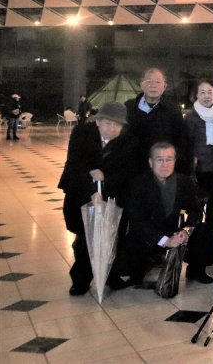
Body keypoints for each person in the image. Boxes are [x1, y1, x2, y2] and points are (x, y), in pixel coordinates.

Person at [58, 101, 138, 295]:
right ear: (98, 121)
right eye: (108, 123)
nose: (113, 129)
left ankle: (111, 276)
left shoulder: (128, 141)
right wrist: (91, 191)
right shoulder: (81, 134)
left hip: (112, 195)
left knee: (113, 237)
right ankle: (81, 280)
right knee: (85, 239)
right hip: (81, 192)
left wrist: (106, 177)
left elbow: (127, 171)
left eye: (118, 125)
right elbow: (74, 166)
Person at [125, 142, 213, 287]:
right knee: (128, 258)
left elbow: (196, 210)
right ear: (151, 162)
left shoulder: (184, 182)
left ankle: (196, 269)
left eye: (169, 159)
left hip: (174, 230)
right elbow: (137, 221)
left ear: (174, 161)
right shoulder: (138, 184)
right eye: (160, 160)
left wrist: (185, 230)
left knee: (204, 231)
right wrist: (164, 241)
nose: (165, 164)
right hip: (149, 235)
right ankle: (142, 269)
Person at [124, 68, 188, 174]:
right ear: (141, 85)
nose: (153, 85)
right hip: (134, 169)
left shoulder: (173, 111)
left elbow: (180, 142)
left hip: (162, 169)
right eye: (149, 81)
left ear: (164, 86)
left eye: (158, 82)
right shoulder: (129, 108)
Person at [184, 79, 213, 237]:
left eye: (210, 92)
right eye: (202, 92)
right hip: (198, 170)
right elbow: (187, 144)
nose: (206, 96)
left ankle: (211, 242)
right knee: (196, 209)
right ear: (196, 95)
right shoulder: (191, 116)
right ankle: (193, 242)